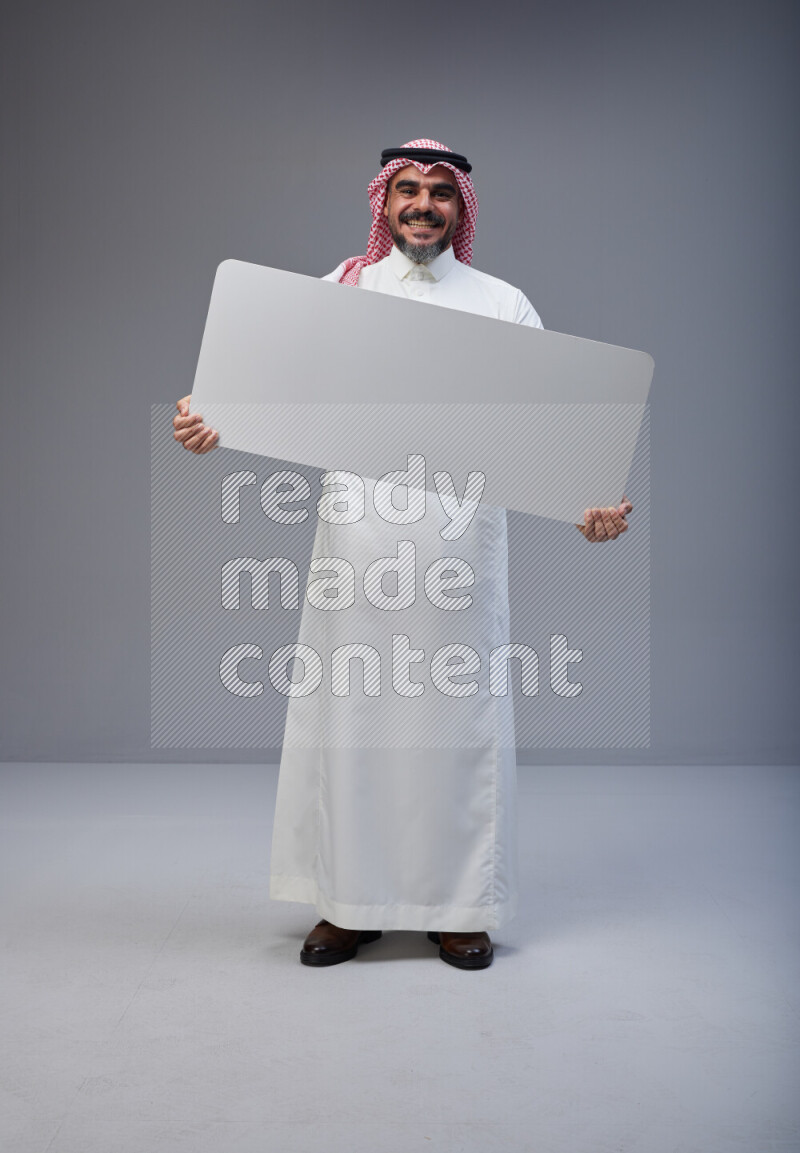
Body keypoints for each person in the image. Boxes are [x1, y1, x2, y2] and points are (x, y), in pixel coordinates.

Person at [174, 139, 633, 971]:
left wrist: (586, 510)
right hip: (359, 542)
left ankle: (459, 907)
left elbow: (551, 434)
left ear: (461, 210)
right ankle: (348, 905)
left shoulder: (505, 304)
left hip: (460, 547)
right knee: (353, 723)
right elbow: (266, 388)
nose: (423, 205)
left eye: (439, 194)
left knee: (454, 723)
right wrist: (212, 423)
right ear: (384, 204)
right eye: (408, 191)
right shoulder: (342, 290)